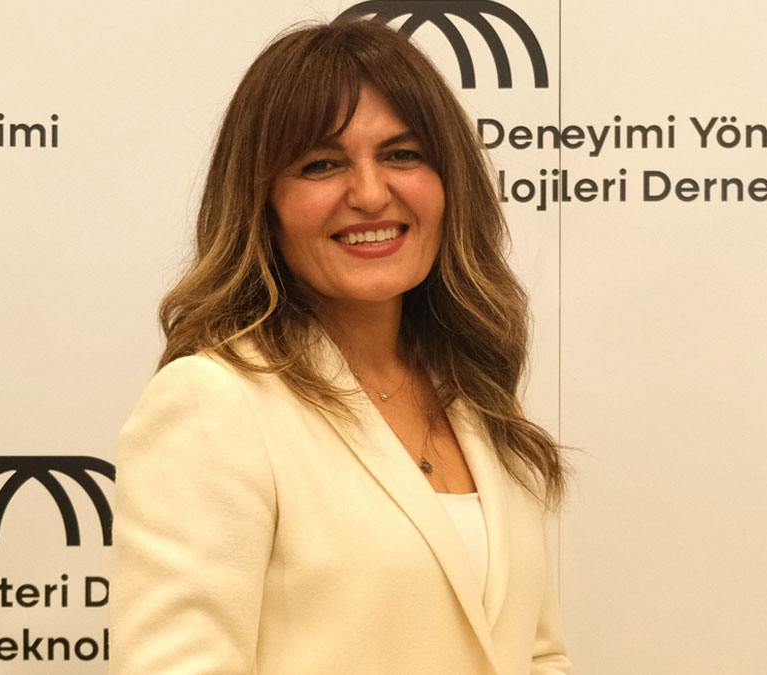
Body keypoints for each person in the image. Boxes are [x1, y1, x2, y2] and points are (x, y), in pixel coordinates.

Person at [111, 16, 571, 675]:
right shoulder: (213, 401)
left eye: (402, 155)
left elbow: (537, 653)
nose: (371, 193)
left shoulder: (477, 395)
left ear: (450, 182)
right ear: (262, 205)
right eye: (321, 165)